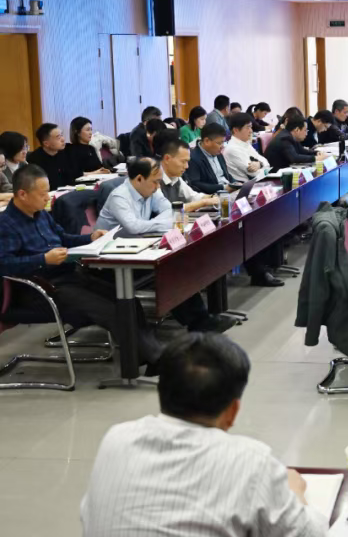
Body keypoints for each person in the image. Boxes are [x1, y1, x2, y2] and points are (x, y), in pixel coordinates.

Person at [80, 333, 327, 537]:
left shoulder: (116, 439)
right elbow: (312, 534)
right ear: (232, 411)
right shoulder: (252, 462)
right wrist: (295, 493)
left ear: (162, 392)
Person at [0, 163, 163, 368]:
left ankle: (144, 356)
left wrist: (91, 238)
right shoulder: (6, 224)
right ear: (22, 194)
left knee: (127, 300)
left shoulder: (41, 214)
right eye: (42, 194)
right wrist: (43, 259)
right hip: (41, 289)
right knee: (110, 310)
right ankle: (156, 359)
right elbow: (4, 265)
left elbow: (64, 238)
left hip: (69, 276)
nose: (48, 198)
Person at [98, 156, 237, 331]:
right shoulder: (119, 196)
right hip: (111, 261)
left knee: (181, 261)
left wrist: (163, 220)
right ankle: (199, 322)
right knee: (173, 268)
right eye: (155, 182)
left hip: (141, 248)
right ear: (139, 178)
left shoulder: (151, 189)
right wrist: (163, 221)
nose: (158, 187)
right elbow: (134, 227)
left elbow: (170, 211)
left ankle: (201, 320)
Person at [161, 138, 282, 289]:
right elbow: (169, 210)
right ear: (167, 158)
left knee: (241, 227)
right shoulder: (155, 179)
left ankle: (259, 272)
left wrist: (213, 198)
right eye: (183, 162)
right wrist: (205, 202)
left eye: (187, 162)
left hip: (183, 223)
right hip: (166, 231)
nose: (186, 167)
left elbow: (194, 196)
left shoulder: (176, 177)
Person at [185, 123, 244, 194]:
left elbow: (226, 175)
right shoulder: (193, 158)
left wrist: (235, 183)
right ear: (207, 141)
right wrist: (223, 187)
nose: (222, 146)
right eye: (219, 143)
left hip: (229, 190)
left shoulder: (217, 153)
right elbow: (195, 184)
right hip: (214, 195)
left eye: (223, 142)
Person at [27, 122, 79, 189]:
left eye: (62, 135)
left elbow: (72, 176)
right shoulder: (35, 159)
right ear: (46, 143)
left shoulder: (66, 152)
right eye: (58, 137)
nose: (63, 139)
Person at [224, 112, 270, 180]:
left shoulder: (245, 143)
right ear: (236, 130)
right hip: (244, 184)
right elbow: (254, 173)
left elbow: (266, 163)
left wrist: (260, 164)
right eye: (247, 127)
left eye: (251, 127)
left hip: (256, 181)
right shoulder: (232, 149)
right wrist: (262, 165)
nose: (251, 131)